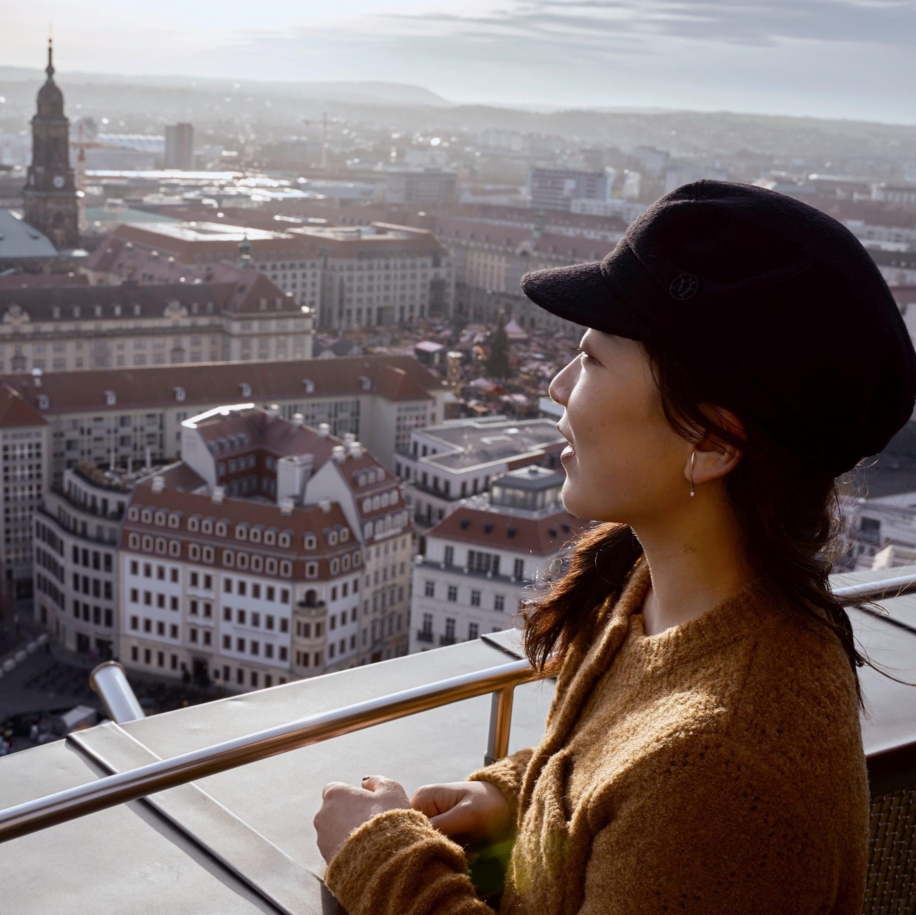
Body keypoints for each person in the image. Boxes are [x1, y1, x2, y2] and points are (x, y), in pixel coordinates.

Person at [314, 181, 916, 915]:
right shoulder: (675, 598)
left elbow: (679, 793)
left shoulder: (723, 771)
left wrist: (382, 857)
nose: (560, 383)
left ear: (711, 439)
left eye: (594, 361)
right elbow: (629, 771)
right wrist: (516, 796)